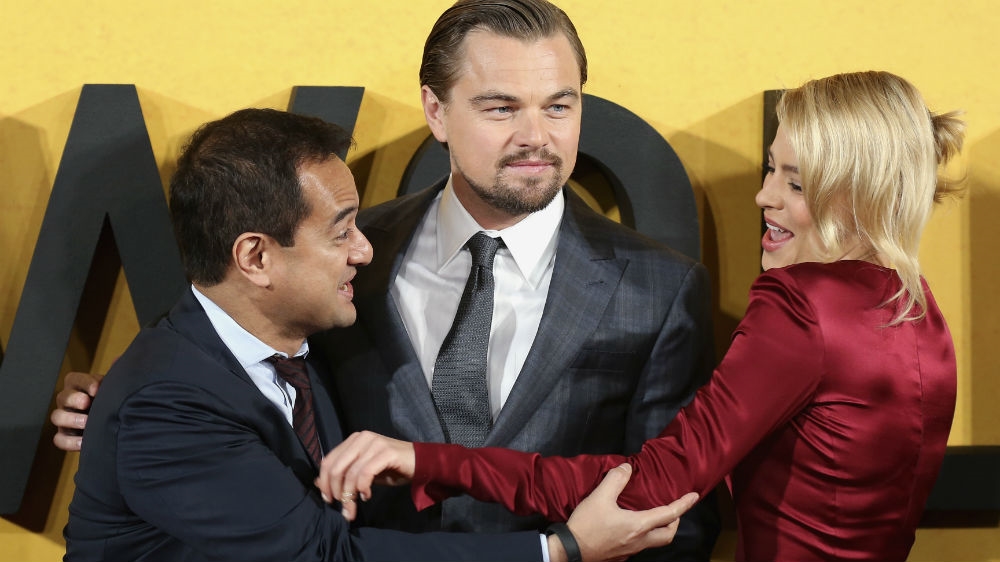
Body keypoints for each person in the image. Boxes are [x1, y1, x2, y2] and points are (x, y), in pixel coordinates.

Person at [54, 1, 719, 559]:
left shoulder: (659, 290)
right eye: (500, 108)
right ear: (436, 111)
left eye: (559, 106)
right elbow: (231, 337)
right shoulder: (344, 257)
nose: (535, 136)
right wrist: (112, 406)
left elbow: (677, 511)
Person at [316, 71, 964, 561]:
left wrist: (434, 462)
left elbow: (650, 488)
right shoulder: (917, 311)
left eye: (795, 183)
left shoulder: (801, 307)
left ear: (856, 192)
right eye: (771, 170)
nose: (764, 196)